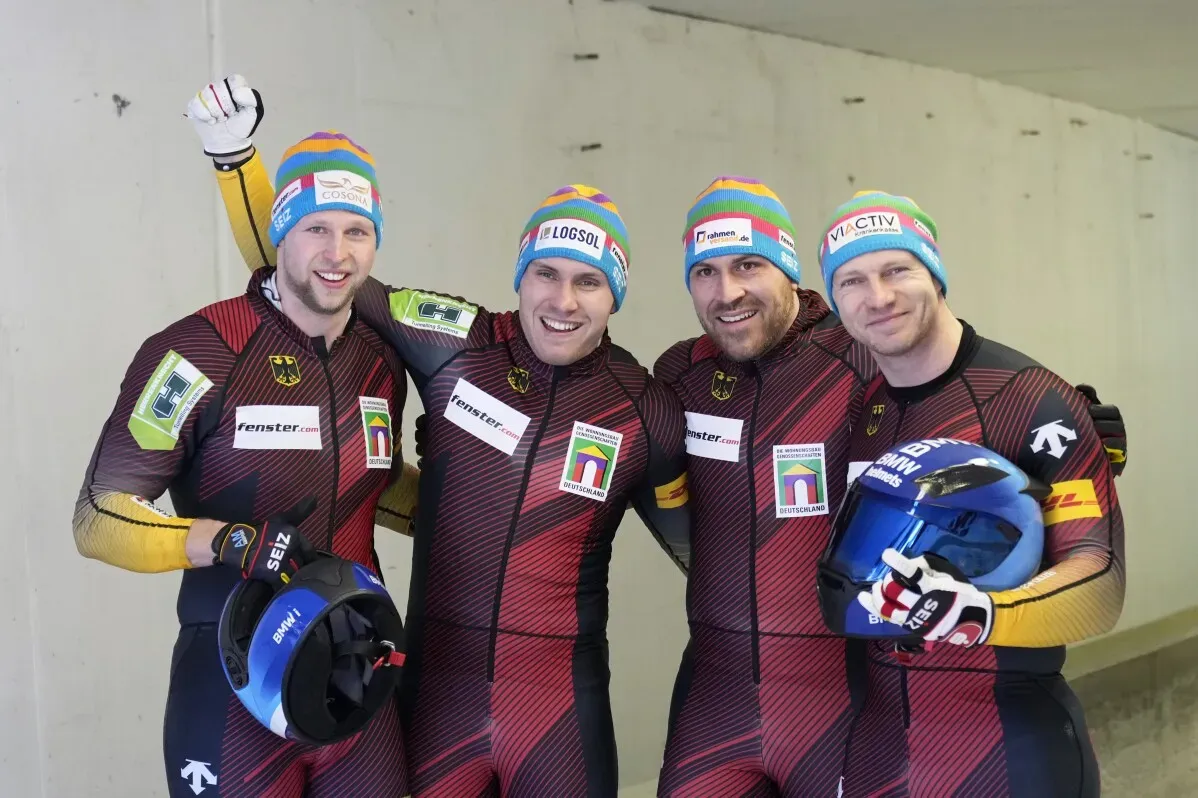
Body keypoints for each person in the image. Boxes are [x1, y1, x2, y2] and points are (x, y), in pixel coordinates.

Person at [191, 75, 692, 797]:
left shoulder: (646, 410)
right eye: (545, 273)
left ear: (616, 293)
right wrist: (237, 160)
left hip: (559, 715)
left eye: (589, 281)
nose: (562, 300)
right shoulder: (456, 342)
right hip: (436, 706)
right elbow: (306, 271)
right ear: (520, 277)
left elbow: (712, 557)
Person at [651, 178, 1128, 797]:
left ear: (790, 271)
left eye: (749, 264)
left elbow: (964, 391)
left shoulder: (861, 356)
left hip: (845, 698)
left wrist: (1066, 432)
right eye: (705, 271)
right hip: (721, 690)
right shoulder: (680, 375)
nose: (728, 290)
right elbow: (650, 483)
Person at [74, 125, 416, 797]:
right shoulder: (199, 350)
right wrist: (229, 540)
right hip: (231, 677)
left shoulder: (380, 360)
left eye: (357, 231)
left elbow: (374, 487)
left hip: (355, 675)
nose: (337, 253)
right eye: (316, 229)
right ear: (279, 231)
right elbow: (97, 517)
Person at [819, 189, 1124, 797]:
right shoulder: (859, 403)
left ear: (936, 276)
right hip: (882, 744)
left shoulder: (1031, 398)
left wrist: (985, 613)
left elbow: (1102, 580)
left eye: (897, 270)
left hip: (1008, 746)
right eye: (851, 281)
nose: (877, 297)